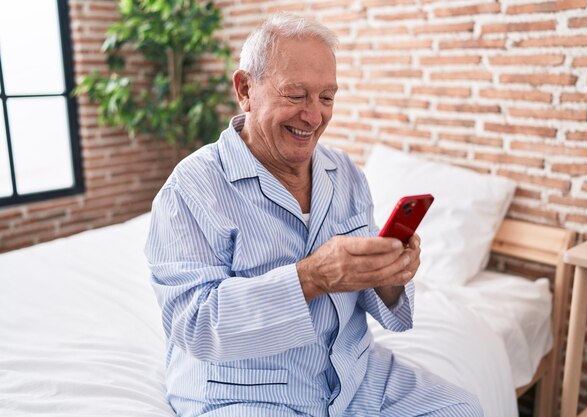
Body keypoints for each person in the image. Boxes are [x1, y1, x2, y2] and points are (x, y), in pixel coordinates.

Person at [145, 13, 483, 417]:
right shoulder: (190, 189)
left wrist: (393, 275)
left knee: (462, 407)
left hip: (355, 376)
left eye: (327, 97)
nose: (314, 115)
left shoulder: (345, 173)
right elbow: (195, 323)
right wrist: (311, 277)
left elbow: (377, 294)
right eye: (295, 94)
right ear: (245, 89)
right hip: (247, 390)